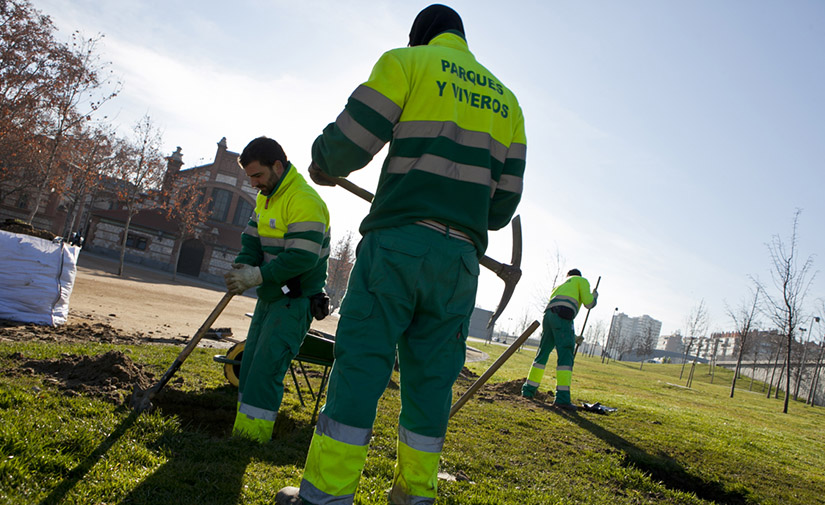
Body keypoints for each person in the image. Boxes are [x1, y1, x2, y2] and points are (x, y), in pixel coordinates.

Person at [277, 4, 526, 504]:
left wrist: (322, 162)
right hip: (459, 263)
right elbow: (501, 209)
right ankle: (414, 497)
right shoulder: (508, 104)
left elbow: (344, 146)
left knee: (362, 365)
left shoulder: (407, 64)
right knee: (432, 383)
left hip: (397, 246)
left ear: (421, 38)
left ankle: (325, 496)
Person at [224, 136, 331, 443]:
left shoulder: (304, 201)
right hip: (271, 297)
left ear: (278, 166)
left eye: (258, 175)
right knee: (251, 367)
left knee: (265, 372)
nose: (254, 184)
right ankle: (243, 432)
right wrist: (242, 268)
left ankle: (251, 440)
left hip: (294, 302)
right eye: (250, 177)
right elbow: (252, 241)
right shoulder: (266, 198)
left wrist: (256, 276)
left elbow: (303, 256)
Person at [521, 269, 598, 410]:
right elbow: (589, 304)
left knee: (542, 353)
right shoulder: (581, 280)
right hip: (563, 316)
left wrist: (573, 337)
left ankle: (528, 391)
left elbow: (557, 326)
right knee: (565, 357)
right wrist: (594, 296)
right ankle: (562, 398)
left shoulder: (560, 284)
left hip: (548, 316)